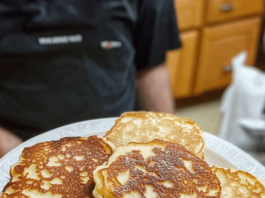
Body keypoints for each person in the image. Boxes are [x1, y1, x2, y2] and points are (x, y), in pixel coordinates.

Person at [0, 0, 181, 157]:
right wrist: (9, 149)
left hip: (121, 143)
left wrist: (166, 144)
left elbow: (151, 65)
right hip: (17, 147)